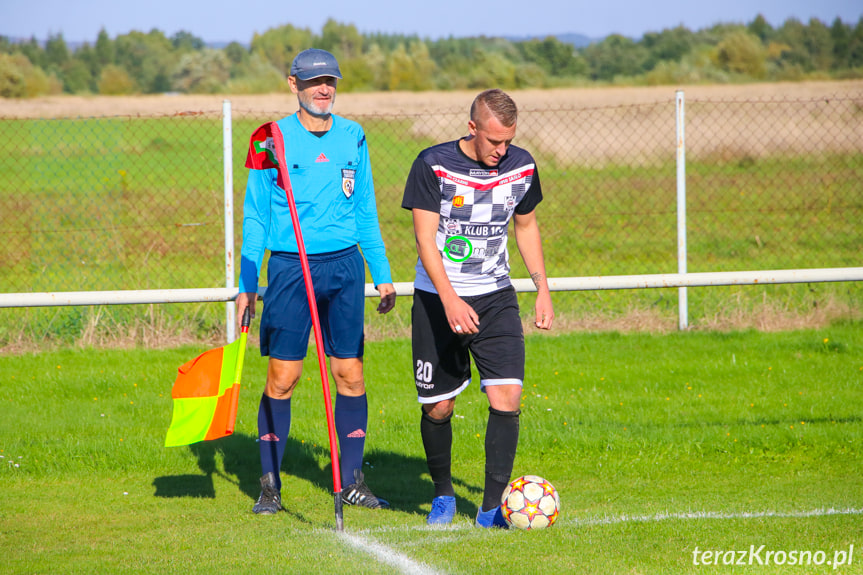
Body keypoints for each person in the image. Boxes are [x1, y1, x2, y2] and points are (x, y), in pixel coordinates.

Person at [236, 48, 396, 515]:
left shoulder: (354, 136)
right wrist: (248, 283)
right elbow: (255, 218)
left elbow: (365, 209)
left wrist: (381, 273)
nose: (323, 89)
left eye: (330, 81)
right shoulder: (269, 139)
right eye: (313, 82)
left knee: (350, 373)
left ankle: (352, 481)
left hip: (344, 267)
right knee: (284, 377)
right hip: (290, 268)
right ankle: (269, 486)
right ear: (293, 85)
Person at [401, 88, 554, 528]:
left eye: (507, 141)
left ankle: (490, 508)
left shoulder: (522, 165)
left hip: (497, 296)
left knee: (506, 396)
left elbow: (525, 225)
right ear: (472, 128)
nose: (501, 150)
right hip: (437, 298)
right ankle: (444, 494)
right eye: (493, 141)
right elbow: (425, 239)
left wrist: (541, 288)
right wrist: (449, 299)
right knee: (439, 408)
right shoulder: (432, 164)